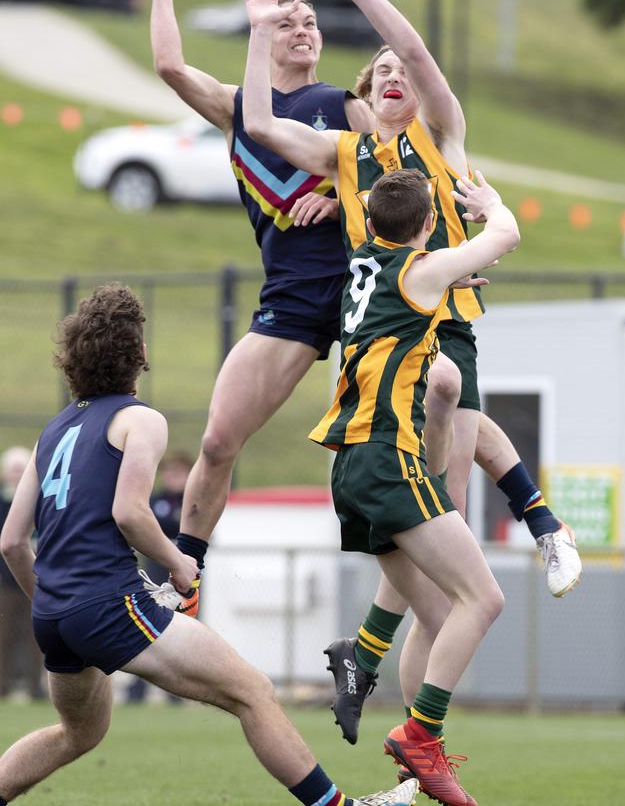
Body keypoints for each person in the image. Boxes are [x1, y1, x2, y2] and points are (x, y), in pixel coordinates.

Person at [239, 0, 581, 742]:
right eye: (379, 69)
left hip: (444, 325)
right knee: (432, 522)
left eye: (402, 68)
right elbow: (256, 124)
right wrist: (257, 33)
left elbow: (420, 53)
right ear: (362, 97)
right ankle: (537, 526)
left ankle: (379, 663)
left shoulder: (440, 136)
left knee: (445, 482)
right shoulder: (347, 156)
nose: (395, 72)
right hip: (375, 352)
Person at [0, 283, 417, 806]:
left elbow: (14, 542)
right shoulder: (140, 420)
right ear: (141, 354)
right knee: (252, 692)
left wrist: (53, 605)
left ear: (73, 358)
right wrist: (178, 563)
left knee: (78, 733)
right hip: (108, 604)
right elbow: (128, 512)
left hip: (55, 616)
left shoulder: (52, 432)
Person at [141, 0, 462, 620]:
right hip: (290, 298)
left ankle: (445, 527)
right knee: (217, 442)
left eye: (310, 21)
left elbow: (402, 168)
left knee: (425, 409)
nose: (303, 29)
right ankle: (184, 574)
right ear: (265, 34)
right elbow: (170, 67)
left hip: (362, 292)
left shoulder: (344, 106)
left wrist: (339, 195)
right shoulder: (240, 110)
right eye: (289, 21)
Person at [310, 167, 519, 806]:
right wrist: (491, 204)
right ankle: (421, 739)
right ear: (428, 225)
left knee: (435, 615)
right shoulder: (421, 270)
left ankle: (411, 778)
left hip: (346, 465)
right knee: (484, 600)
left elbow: (406, 287)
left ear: (368, 222)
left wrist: (442, 272)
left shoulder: (361, 267)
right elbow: (505, 234)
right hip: (385, 455)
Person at [125, 450, 193, 703]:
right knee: (149, 627)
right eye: (168, 473)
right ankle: (139, 687)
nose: (171, 478)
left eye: (178, 473)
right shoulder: (157, 500)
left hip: (185, 575)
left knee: (183, 626)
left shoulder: (191, 501)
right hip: (155, 574)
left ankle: (177, 689)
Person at [0, 447, 44, 701]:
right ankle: (2, 685)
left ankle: (34, 686)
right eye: (13, 469)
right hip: (4, 579)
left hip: (34, 575)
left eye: (21, 469)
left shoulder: (40, 501)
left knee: (35, 636)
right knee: (3, 635)